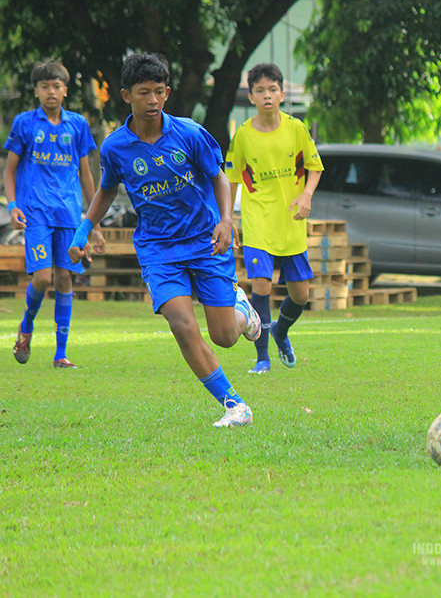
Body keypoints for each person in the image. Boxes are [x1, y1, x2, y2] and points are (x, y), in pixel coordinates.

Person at [69, 53, 260, 428]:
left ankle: (243, 310)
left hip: (206, 241)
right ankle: (235, 405)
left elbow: (219, 177)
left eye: (159, 92)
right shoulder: (115, 147)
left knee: (224, 337)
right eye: (144, 93)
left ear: (168, 92)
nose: (153, 100)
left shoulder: (188, 133)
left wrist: (226, 220)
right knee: (181, 324)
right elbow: (107, 191)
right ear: (126, 95)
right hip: (158, 250)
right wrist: (83, 230)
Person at [225, 63, 323, 374]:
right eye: (260, 91)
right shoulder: (242, 136)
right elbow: (231, 179)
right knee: (262, 286)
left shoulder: (296, 129)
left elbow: (315, 167)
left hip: (291, 221)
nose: (267, 95)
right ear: (251, 97)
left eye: (272, 89)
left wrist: (306, 195)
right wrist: (229, 219)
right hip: (258, 222)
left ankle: (280, 330)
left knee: (301, 294)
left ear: (281, 94)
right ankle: (262, 358)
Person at [4, 60, 100, 368]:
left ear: (65, 90)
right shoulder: (25, 123)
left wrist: (92, 220)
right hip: (36, 213)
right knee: (43, 278)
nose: (51, 92)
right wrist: (12, 204)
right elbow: (10, 170)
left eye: (57, 86)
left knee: (64, 279)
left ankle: (61, 353)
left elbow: (86, 174)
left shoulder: (78, 124)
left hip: (69, 214)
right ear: (36, 91)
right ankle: (26, 327)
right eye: (45, 86)